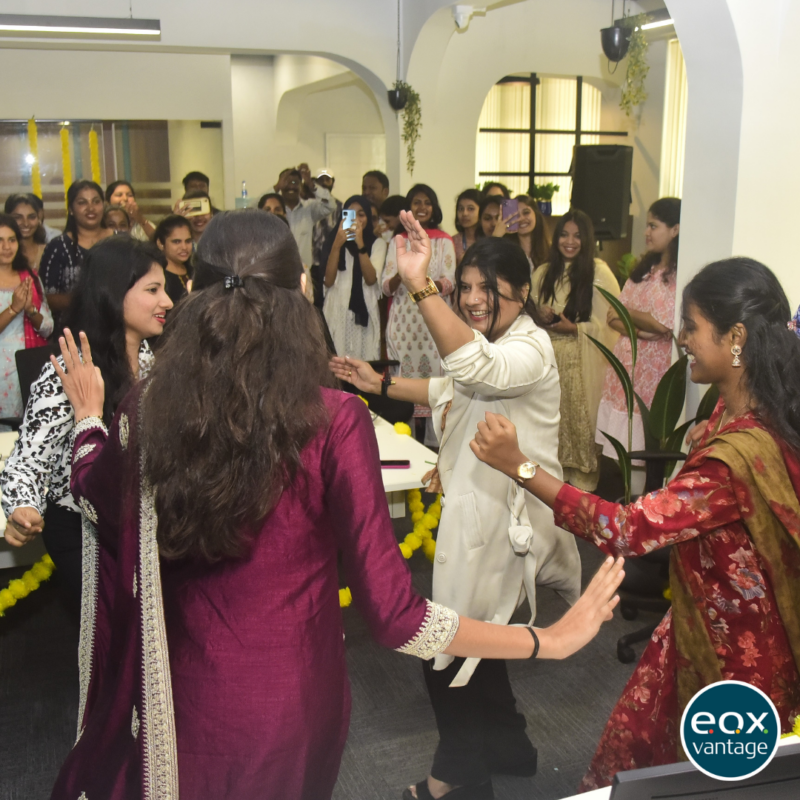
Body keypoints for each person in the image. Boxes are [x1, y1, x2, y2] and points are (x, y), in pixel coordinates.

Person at [47, 209, 623, 800]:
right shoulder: (333, 421)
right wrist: (545, 640)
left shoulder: (146, 407)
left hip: (180, 698)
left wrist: (90, 422)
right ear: (300, 290)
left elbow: (100, 500)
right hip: (293, 703)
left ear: (193, 292)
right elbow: (396, 615)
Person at [471, 256, 800, 791]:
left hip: (734, 660)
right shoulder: (746, 411)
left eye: (691, 327)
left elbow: (625, 529)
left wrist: (520, 467)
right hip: (699, 624)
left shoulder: (733, 456)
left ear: (735, 336)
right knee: (642, 753)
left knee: (705, 779)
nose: (681, 337)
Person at [335, 221, 582, 800]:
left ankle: (459, 773)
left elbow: (477, 373)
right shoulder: (493, 341)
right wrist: (382, 382)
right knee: (481, 633)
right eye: (465, 286)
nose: (471, 299)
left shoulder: (529, 346)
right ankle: (511, 748)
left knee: (442, 642)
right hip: (479, 510)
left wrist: (420, 287)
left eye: (486, 289)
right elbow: (452, 388)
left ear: (521, 294)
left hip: (501, 523)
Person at [1, 236, 172, 609]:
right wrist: (22, 509)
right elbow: (26, 462)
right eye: (153, 290)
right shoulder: (71, 369)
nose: (167, 302)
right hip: (82, 528)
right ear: (114, 293)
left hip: (135, 520)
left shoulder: (149, 360)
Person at [532, 210, 620, 490]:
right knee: (549, 423)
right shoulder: (544, 272)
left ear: (587, 239)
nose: (570, 241)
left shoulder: (599, 272)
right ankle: (550, 485)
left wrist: (576, 329)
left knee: (579, 423)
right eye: (564, 235)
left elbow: (612, 323)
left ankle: (583, 489)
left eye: (577, 236)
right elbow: (527, 312)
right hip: (547, 360)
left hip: (582, 361)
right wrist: (540, 316)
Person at [595, 198, 681, 464]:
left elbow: (663, 325)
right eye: (647, 226)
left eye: (654, 226)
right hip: (627, 364)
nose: (647, 232)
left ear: (675, 230)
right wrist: (641, 329)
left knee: (647, 450)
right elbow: (613, 317)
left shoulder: (679, 273)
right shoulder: (643, 271)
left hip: (654, 373)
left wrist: (631, 316)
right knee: (622, 456)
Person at [383, 185, 456, 437]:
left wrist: (420, 283)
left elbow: (450, 282)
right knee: (405, 382)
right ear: (408, 208)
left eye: (427, 202)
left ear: (434, 207)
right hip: (403, 322)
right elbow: (385, 287)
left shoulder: (444, 240)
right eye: (416, 202)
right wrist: (403, 274)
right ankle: (407, 439)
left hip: (432, 320)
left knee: (434, 381)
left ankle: (435, 444)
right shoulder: (398, 240)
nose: (422, 207)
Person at [0, 215, 53, 422]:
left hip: (25, 368)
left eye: (11, 240)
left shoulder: (29, 277)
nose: (6, 247)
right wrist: (13, 308)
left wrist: (31, 310)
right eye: (0, 240)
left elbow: (48, 328)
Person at [321, 196, 387, 360]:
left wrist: (360, 244)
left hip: (364, 313)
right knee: (335, 366)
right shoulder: (332, 241)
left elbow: (371, 279)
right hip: (337, 310)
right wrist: (337, 244)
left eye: (361, 215)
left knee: (363, 366)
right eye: (349, 214)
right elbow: (328, 281)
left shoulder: (377, 244)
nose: (356, 220)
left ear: (368, 219)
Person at [40, 180, 109, 320]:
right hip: (72, 329)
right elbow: (46, 297)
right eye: (82, 202)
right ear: (71, 209)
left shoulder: (122, 242)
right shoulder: (57, 247)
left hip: (118, 328)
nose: (91, 208)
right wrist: (87, 300)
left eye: (96, 201)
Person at [276, 166, 333, 267]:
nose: (291, 187)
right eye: (286, 182)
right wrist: (276, 187)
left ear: (301, 186)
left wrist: (311, 184)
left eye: (295, 183)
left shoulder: (309, 208)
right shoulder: (274, 210)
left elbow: (331, 205)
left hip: (304, 272)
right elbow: (252, 208)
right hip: (278, 271)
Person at [492, 195, 550, 271]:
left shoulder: (551, 250)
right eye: (516, 216)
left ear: (536, 214)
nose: (521, 219)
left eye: (526, 213)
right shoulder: (505, 253)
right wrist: (495, 236)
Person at [154, 215, 194, 304]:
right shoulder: (156, 277)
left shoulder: (196, 271)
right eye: (176, 242)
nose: (184, 247)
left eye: (188, 241)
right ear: (160, 244)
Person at [5, 193, 47, 272]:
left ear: (39, 218)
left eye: (31, 217)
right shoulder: (4, 253)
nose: (26, 223)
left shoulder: (49, 251)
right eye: (18, 217)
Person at [452, 189, 482, 266]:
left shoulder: (489, 239)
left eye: (470, 209)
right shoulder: (452, 242)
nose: (464, 213)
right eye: (461, 209)